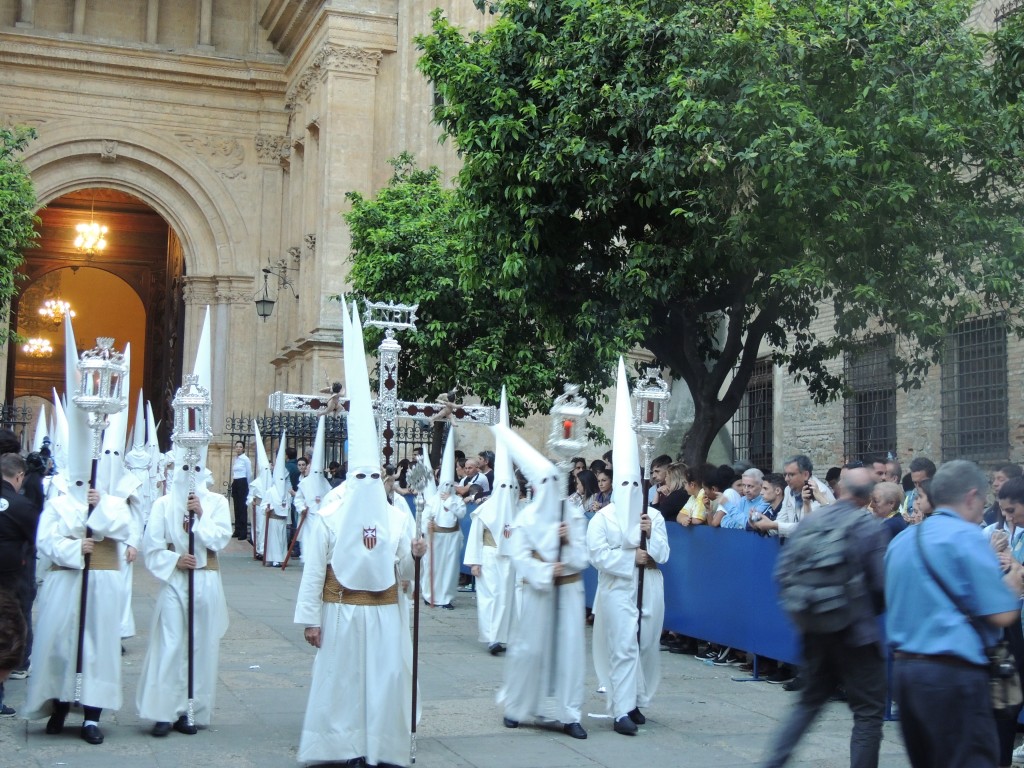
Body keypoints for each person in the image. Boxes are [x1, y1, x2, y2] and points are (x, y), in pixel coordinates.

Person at [294, 299, 426, 767]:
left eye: (377, 477)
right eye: (362, 477)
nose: (371, 485)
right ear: (353, 476)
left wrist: (415, 552)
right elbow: (314, 568)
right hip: (342, 610)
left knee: (386, 678)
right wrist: (311, 618)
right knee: (344, 681)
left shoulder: (397, 516)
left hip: (388, 610)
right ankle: (342, 746)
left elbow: (405, 570)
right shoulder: (331, 513)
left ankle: (382, 745)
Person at [886, 459, 1023, 768]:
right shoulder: (967, 537)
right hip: (953, 675)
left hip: (906, 674)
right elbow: (1001, 614)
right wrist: (1013, 580)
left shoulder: (903, 541)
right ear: (972, 496)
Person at [136, 307, 232, 737]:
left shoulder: (215, 502)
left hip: (207, 580)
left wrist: (200, 523)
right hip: (177, 581)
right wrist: (176, 560)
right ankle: (163, 709)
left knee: (200, 646)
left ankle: (191, 709)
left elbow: (221, 538)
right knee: (172, 642)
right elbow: (152, 545)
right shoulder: (161, 505)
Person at [759, 466, 886, 768]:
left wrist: (807, 612)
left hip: (815, 631)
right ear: (869, 497)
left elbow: (782, 572)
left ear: (841, 489)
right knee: (868, 712)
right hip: (857, 635)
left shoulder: (812, 520)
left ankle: (773, 763)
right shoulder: (868, 527)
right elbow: (881, 586)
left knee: (807, 704)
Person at [588, 360, 669, 735]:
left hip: (648, 586)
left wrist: (650, 537)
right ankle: (620, 708)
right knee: (622, 645)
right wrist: (627, 557)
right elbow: (598, 555)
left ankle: (635, 699)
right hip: (619, 586)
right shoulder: (601, 519)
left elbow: (665, 554)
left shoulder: (652, 515)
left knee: (646, 645)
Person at [496, 423, 589, 741]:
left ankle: (569, 713)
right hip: (539, 592)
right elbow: (519, 555)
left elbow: (584, 557)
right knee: (529, 649)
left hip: (569, 592)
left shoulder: (573, 515)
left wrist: (569, 546)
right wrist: (546, 564)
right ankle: (517, 706)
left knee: (570, 652)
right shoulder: (526, 518)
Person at [464, 388, 519, 655]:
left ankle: (502, 636)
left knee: (505, 599)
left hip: (509, 558)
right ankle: (491, 637)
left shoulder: (517, 510)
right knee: (488, 598)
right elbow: (476, 533)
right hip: (488, 555)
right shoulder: (486, 510)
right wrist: (474, 561)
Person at [0, 452, 39, 717]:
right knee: (5, 636)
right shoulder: (22, 505)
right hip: (9, 581)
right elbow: (37, 537)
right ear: (18, 476)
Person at [419, 431, 466, 609]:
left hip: (451, 537)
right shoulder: (433, 500)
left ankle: (446, 597)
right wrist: (427, 526)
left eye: (449, 485)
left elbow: (461, 513)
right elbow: (425, 516)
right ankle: (429, 595)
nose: (446, 488)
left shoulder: (457, 499)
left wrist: (451, 501)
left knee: (449, 569)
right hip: (436, 537)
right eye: (444, 485)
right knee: (433, 567)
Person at [230, 440, 252, 540]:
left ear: (243, 448)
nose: (238, 448)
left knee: (242, 508)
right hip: (236, 482)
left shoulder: (245, 459)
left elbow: (249, 474)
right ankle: (237, 530)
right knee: (236, 507)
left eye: (240, 447)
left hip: (242, 483)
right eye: (237, 446)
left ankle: (243, 532)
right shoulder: (236, 459)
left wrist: (247, 486)